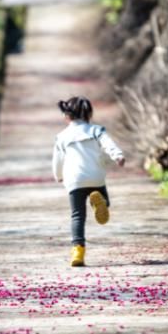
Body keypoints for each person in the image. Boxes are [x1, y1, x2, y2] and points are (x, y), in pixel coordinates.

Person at [52, 96, 125, 267]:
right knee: (104, 201)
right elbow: (109, 145)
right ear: (88, 113)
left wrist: (58, 175)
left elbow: (57, 160)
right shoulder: (96, 130)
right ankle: (100, 203)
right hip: (95, 176)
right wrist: (118, 156)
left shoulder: (61, 136)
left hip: (74, 180)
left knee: (77, 216)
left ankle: (78, 251)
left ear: (66, 116)